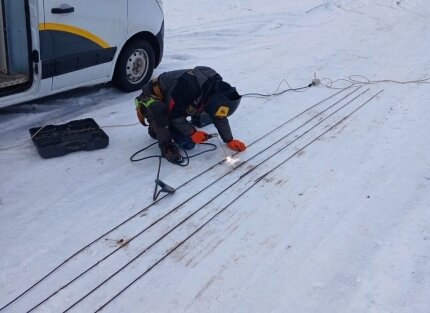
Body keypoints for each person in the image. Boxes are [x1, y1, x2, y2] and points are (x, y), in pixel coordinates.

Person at [134, 66, 246, 164]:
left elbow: (219, 115)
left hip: (172, 101)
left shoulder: (214, 90)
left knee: (188, 143)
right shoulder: (188, 87)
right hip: (150, 99)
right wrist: (192, 133)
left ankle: (157, 128)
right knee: (162, 113)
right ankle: (166, 146)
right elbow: (174, 114)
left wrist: (229, 140)